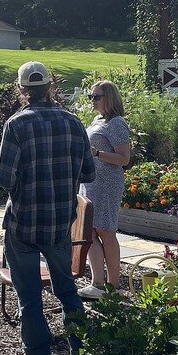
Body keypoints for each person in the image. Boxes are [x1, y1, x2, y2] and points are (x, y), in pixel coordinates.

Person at [0, 61, 96, 355]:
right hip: (59, 225)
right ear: (51, 87)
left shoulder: (17, 125)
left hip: (23, 225)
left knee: (30, 302)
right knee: (68, 294)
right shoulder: (72, 121)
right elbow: (89, 174)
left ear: (21, 89)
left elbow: (2, 179)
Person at [78, 81, 132, 300]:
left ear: (109, 98)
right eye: (91, 96)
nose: (92, 100)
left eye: (96, 97)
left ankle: (113, 285)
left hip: (106, 184)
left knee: (106, 231)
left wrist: (96, 153)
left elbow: (124, 159)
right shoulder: (97, 120)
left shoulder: (117, 123)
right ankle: (97, 283)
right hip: (91, 183)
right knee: (89, 232)